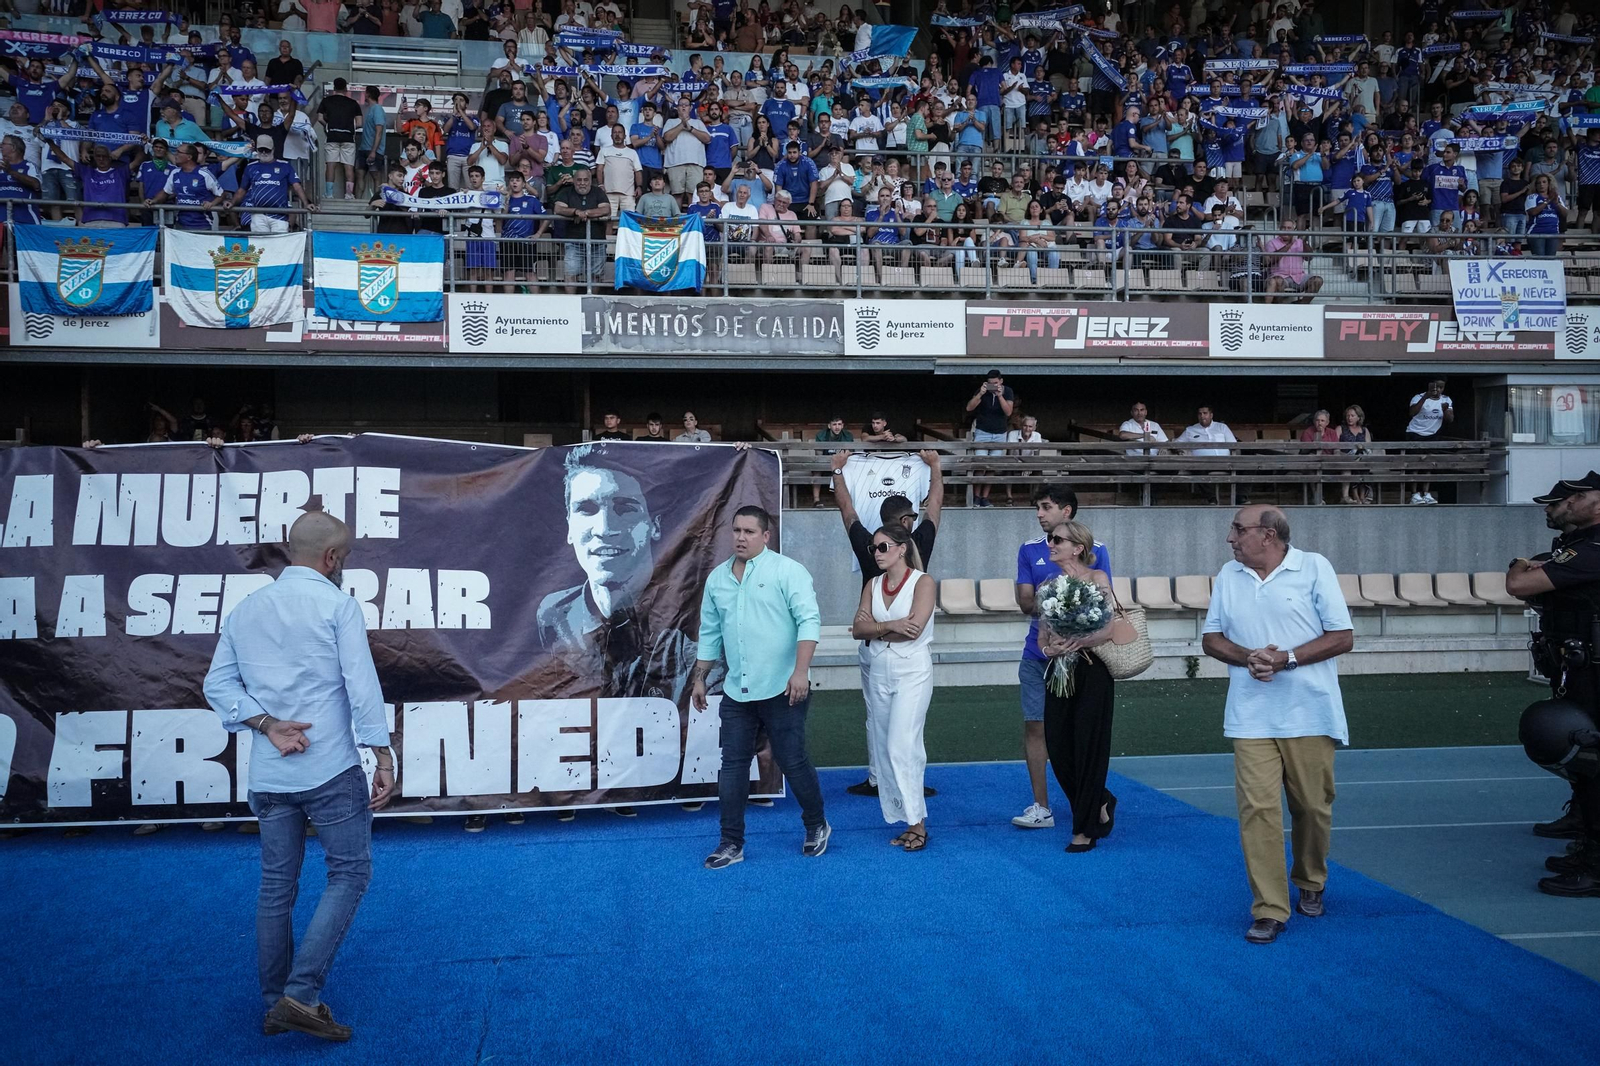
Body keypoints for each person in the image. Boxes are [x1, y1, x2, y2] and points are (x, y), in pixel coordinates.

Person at [203, 510, 397, 1040]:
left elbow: (217, 686)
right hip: (330, 767)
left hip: (269, 773)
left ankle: (275, 1003)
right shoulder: (338, 606)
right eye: (346, 557)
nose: (344, 566)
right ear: (332, 558)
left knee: (275, 888)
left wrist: (266, 724)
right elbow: (362, 688)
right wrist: (382, 756)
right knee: (350, 874)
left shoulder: (247, 609)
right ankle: (300, 994)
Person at [1201, 506, 1354, 944]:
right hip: (1250, 715)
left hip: (1309, 711)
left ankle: (1310, 879)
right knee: (1257, 811)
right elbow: (1212, 640)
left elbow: (1342, 636)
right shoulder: (1229, 575)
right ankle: (1269, 907)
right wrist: (1249, 656)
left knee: (1312, 805)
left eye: (1238, 530)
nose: (1231, 538)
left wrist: (1285, 659)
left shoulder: (1314, 567)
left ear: (1268, 535)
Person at [693, 506, 829, 868]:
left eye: (750, 531)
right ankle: (730, 843)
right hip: (738, 691)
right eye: (736, 530)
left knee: (792, 761)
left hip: (784, 688)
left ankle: (816, 824)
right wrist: (700, 677)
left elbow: (808, 622)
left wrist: (801, 672)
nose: (741, 537)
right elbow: (709, 633)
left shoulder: (788, 571)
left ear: (766, 536)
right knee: (732, 766)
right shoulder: (717, 579)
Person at [1507, 472, 1600, 896]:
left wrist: (1520, 564)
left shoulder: (1594, 548)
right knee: (1580, 756)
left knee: (1589, 753)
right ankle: (1586, 838)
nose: (1558, 506)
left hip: (1595, 668)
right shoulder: (1577, 547)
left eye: (1574, 497)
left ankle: (1596, 864)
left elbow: (1520, 582)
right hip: (1577, 664)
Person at [1013, 485, 1112, 829]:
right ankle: (1041, 806)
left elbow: (1104, 608)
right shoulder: (1028, 550)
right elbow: (1026, 604)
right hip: (1038, 653)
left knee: (1076, 733)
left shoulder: (1097, 551)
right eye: (1037, 508)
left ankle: (1089, 800)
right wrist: (1055, 603)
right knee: (1038, 727)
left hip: (1082, 659)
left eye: (1045, 507)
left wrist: (1073, 629)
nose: (1039, 514)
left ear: (1067, 510)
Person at [851, 523, 937, 850]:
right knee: (885, 748)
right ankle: (904, 818)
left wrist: (875, 629)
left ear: (902, 548)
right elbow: (859, 630)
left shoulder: (922, 582)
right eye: (874, 548)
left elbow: (913, 629)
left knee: (903, 745)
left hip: (912, 667)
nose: (877, 553)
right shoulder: (872, 584)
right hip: (879, 668)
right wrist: (888, 626)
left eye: (883, 547)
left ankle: (918, 823)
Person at [1036, 519, 1117, 851]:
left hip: (1092, 670)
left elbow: (1110, 627)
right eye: (1050, 539)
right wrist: (1049, 649)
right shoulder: (1048, 585)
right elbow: (1042, 635)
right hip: (1058, 670)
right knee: (1057, 745)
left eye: (1057, 539)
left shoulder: (1097, 579)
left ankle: (1083, 831)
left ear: (1078, 547)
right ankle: (1100, 799)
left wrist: (1078, 639)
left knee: (1088, 745)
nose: (1050, 544)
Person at [965, 369, 1015, 508]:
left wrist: (999, 396)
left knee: (992, 466)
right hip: (982, 432)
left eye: (996, 383)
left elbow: (1008, 412)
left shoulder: (1008, 391)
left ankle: (984, 497)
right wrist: (981, 393)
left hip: (1000, 433)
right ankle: (975, 497)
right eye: (990, 383)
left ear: (1001, 381)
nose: (993, 385)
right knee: (980, 464)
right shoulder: (982, 390)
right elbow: (969, 408)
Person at [1405, 378, 1452, 505]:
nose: (1437, 390)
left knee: (1429, 465)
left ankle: (1426, 493)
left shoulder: (1446, 399)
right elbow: (1412, 412)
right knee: (1415, 465)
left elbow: (1450, 419)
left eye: (1441, 387)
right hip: (1415, 433)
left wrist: (1445, 410)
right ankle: (1414, 494)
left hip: (1433, 434)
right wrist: (1425, 397)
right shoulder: (1418, 397)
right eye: (1435, 387)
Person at [1338, 405, 1374, 505]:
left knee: (1363, 465)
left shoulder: (1364, 430)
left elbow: (1369, 446)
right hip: (1345, 458)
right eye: (1348, 415)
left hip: (1361, 458)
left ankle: (1362, 495)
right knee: (1352, 466)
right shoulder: (1341, 428)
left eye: (1352, 415)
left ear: (1359, 417)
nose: (1349, 418)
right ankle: (1355, 495)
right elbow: (1335, 446)